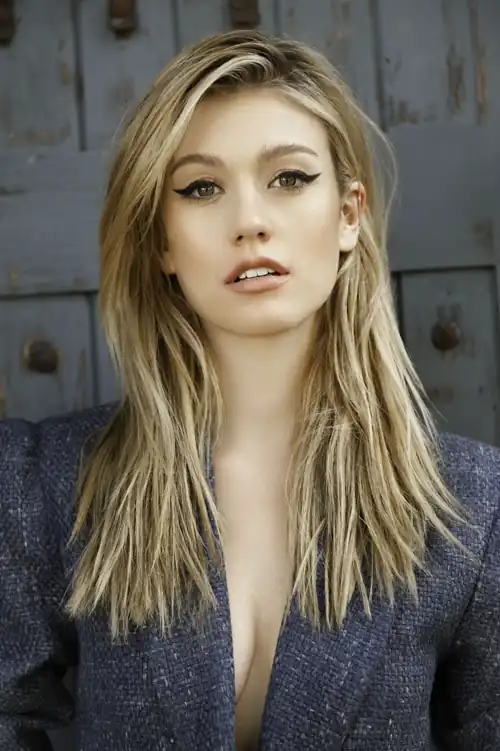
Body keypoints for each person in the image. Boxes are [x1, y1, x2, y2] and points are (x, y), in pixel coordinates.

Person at [0, 29, 499, 751]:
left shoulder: (472, 508)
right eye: (201, 188)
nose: (250, 221)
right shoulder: (46, 483)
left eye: (289, 178)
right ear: (163, 243)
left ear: (349, 214)